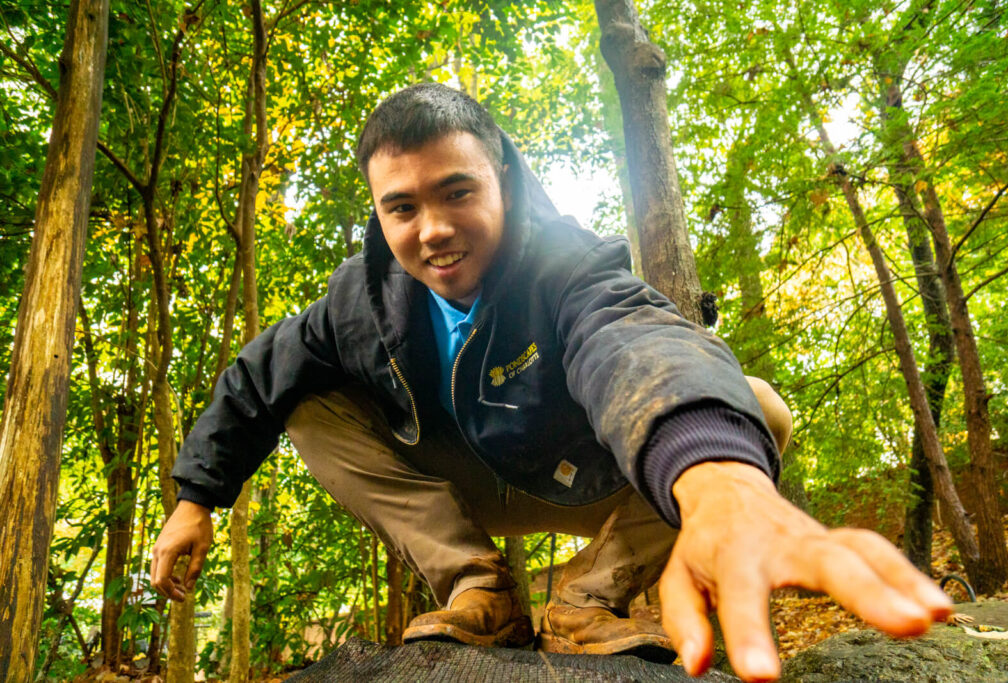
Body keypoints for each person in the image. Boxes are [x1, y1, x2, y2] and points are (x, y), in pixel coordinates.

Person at [151, 83, 951, 681]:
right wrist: (195, 500)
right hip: (458, 489)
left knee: (759, 405)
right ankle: (480, 588)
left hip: (590, 480)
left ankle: (586, 600)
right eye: (402, 207)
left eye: (456, 191)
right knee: (306, 404)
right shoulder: (357, 300)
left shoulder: (567, 264)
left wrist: (718, 478)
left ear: (502, 178)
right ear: (377, 212)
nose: (432, 229)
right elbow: (258, 374)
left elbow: (634, 342)